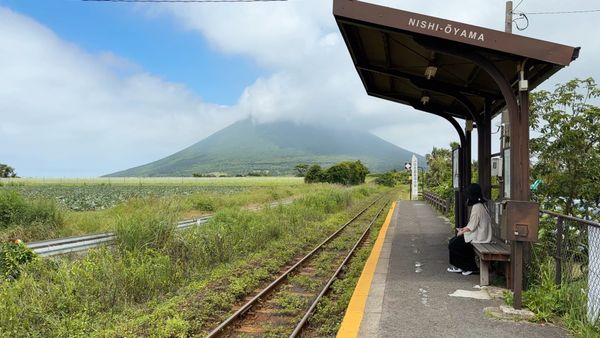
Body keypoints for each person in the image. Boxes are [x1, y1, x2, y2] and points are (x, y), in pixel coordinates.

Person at [447, 183, 492, 276]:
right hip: (482, 234)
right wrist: (463, 229)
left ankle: (468, 267)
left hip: (479, 236)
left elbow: (472, 226)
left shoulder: (477, 207)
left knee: (454, 244)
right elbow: (473, 224)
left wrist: (461, 232)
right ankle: (462, 266)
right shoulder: (482, 205)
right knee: (455, 242)